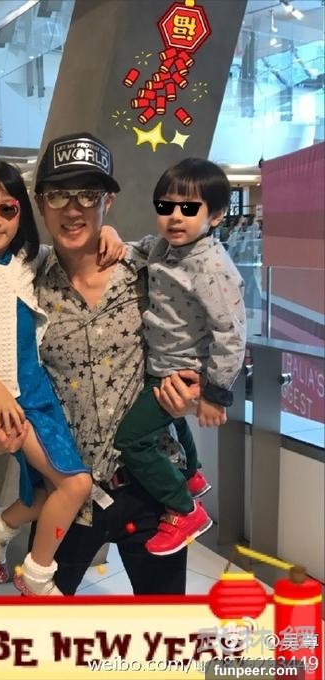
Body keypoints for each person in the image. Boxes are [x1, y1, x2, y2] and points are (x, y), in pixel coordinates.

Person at [0, 132, 200, 595]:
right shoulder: (23, 283)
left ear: (108, 201)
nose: (73, 209)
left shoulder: (147, 270)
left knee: (164, 624)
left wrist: (195, 391)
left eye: (88, 194)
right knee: (46, 630)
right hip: (70, 490)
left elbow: (208, 318)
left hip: (152, 486)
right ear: (40, 203)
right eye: (59, 194)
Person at [0, 160, 123, 595]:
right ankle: (37, 576)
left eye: (7, 209)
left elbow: (75, 248)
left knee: (51, 488)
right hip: (3, 399)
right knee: (76, 483)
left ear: (22, 212)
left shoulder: (26, 261)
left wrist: (107, 232)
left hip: (36, 390)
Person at [113, 158, 246, 556]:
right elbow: (137, 249)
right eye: (166, 206)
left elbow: (232, 334)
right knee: (168, 424)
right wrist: (109, 236)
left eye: (189, 208)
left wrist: (215, 395)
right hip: (161, 364)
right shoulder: (164, 246)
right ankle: (189, 475)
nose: (174, 216)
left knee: (131, 439)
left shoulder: (212, 267)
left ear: (215, 215)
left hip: (183, 372)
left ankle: (184, 509)